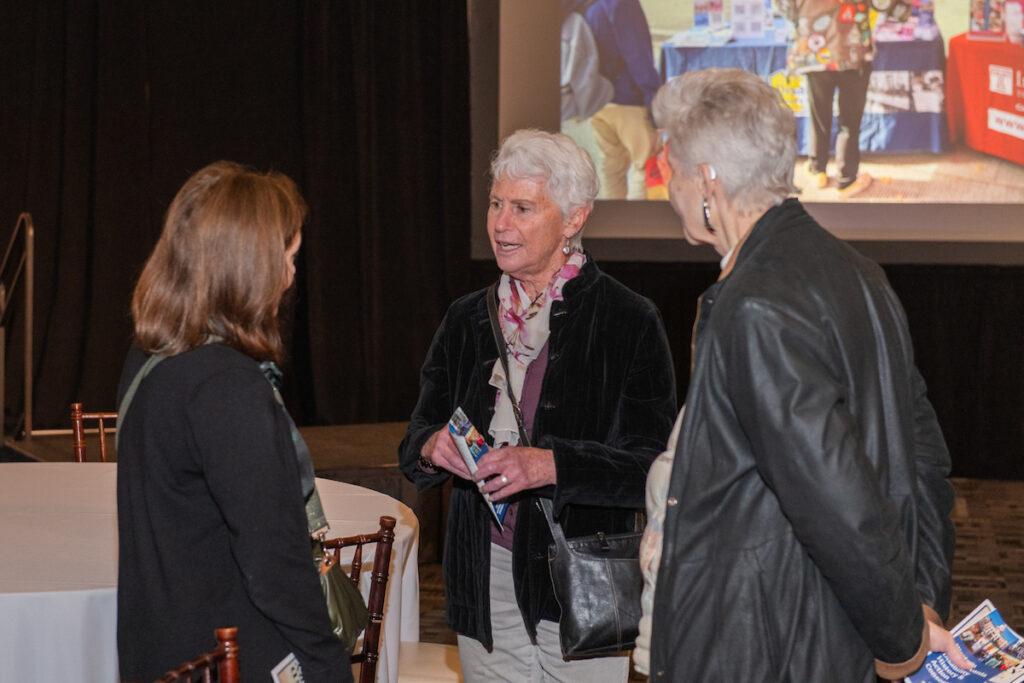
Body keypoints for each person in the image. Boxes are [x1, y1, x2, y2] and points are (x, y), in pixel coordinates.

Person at [641, 68, 969, 681]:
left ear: (707, 178)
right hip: (830, 627)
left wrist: (902, 639)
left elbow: (834, 493)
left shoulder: (755, 303)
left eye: (671, 172)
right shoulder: (856, 270)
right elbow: (922, 456)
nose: (668, 191)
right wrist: (921, 595)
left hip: (772, 641)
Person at [399, 129, 677, 681]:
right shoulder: (467, 319)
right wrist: (434, 447)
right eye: (497, 205)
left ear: (574, 219)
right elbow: (415, 445)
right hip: (486, 581)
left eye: (523, 208)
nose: (501, 224)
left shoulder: (628, 320)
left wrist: (549, 465)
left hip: (581, 587)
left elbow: (656, 469)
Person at [116, 161, 351, 682]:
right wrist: (329, 664)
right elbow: (276, 564)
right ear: (250, 267)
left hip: (168, 647)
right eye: (288, 258)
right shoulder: (227, 388)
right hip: (229, 657)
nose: (292, 277)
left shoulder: (154, 356)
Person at [778, 0, 877, 196]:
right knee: (849, 120)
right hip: (852, 51)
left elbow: (786, 8)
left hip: (816, 52)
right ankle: (846, 178)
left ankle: (818, 169)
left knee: (819, 115)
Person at [584, 0, 662, 199]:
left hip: (597, 100)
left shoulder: (590, 5)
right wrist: (653, 96)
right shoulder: (623, 5)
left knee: (613, 169)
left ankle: (614, 226)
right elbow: (637, 56)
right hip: (628, 100)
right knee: (644, 166)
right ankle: (637, 228)